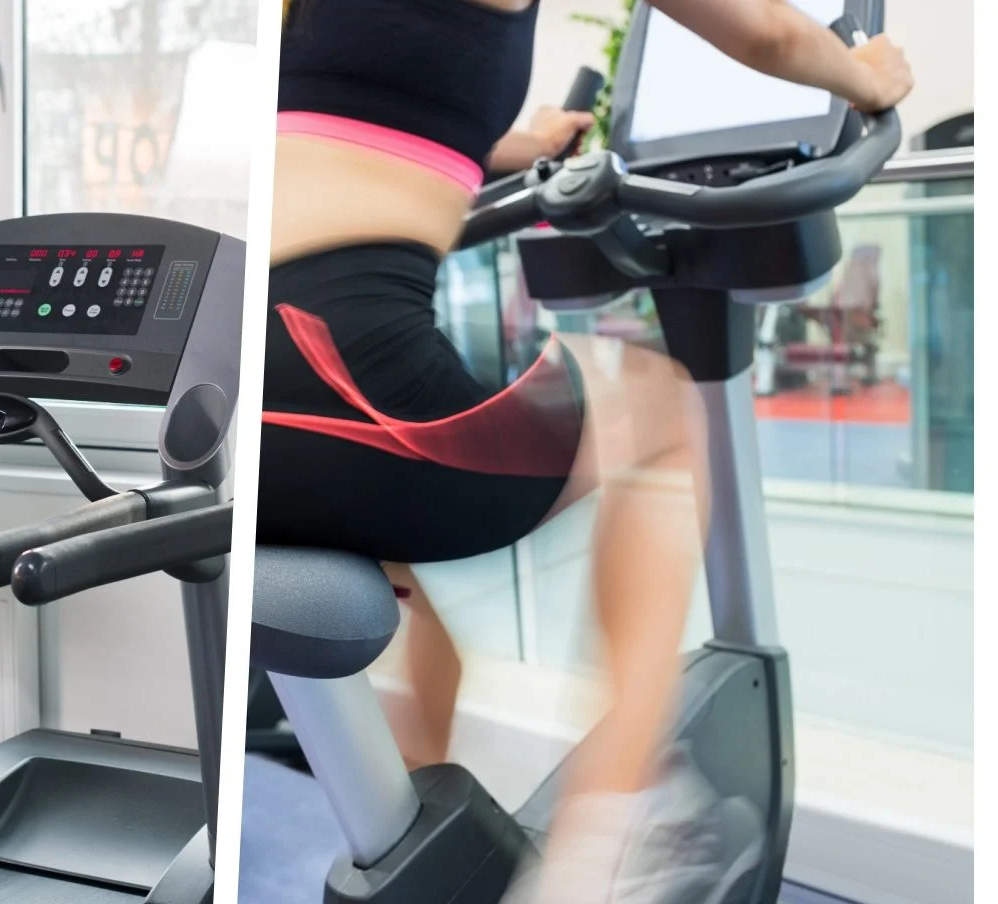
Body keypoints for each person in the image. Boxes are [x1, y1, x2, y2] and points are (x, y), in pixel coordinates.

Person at [262, 1, 912, 900]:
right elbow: (762, 29)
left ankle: (412, 869)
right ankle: (604, 844)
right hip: (356, 384)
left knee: (430, 638)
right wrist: (868, 75)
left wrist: (520, 145)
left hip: (251, 409)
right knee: (663, 417)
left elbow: (363, 110)